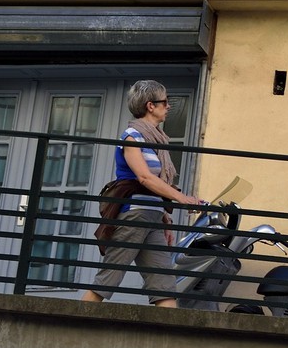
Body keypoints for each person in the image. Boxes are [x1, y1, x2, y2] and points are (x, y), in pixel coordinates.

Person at [81, 80, 204, 307]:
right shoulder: (132, 137)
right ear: (150, 105)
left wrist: (165, 218)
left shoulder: (156, 139)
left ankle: (169, 338)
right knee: (108, 279)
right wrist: (182, 198)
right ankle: (72, 326)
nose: (168, 107)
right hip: (134, 216)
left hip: (153, 217)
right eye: (165, 102)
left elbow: (155, 186)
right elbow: (145, 178)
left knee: (164, 285)